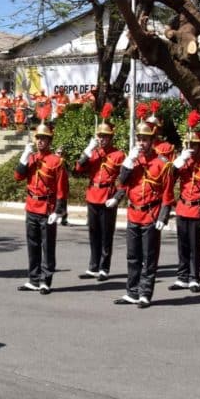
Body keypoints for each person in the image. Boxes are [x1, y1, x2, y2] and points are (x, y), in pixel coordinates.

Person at [109, 117, 175, 308]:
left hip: (151, 214)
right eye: (139, 139)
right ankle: (132, 291)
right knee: (132, 256)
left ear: (152, 140)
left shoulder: (163, 163)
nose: (141, 142)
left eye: (145, 139)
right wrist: (128, 163)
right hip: (133, 214)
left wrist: (163, 216)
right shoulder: (133, 160)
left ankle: (145, 293)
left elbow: (167, 194)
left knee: (149, 257)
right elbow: (121, 183)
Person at [14, 123, 69, 294]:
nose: (40, 142)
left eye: (43, 139)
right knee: (32, 245)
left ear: (49, 141)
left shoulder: (56, 161)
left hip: (47, 208)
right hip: (32, 206)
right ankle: (33, 278)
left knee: (48, 246)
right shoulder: (31, 158)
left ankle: (46, 280)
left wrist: (58, 211)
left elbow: (62, 188)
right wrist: (24, 157)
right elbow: (18, 177)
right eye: (38, 138)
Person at [73, 103, 124, 280]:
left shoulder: (118, 155)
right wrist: (87, 151)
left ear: (111, 138)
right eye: (100, 136)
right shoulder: (93, 153)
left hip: (107, 197)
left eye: (105, 136)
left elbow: (123, 180)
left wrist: (117, 197)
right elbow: (78, 169)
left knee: (106, 234)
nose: (102, 139)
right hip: (93, 195)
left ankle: (104, 268)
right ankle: (93, 266)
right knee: (93, 233)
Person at [169, 111, 200, 293]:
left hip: (198, 209)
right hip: (183, 208)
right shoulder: (183, 162)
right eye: (189, 144)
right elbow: (168, 180)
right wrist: (178, 162)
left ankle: (194, 277)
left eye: (195, 145)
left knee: (195, 246)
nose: (192, 148)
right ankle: (182, 277)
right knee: (182, 245)